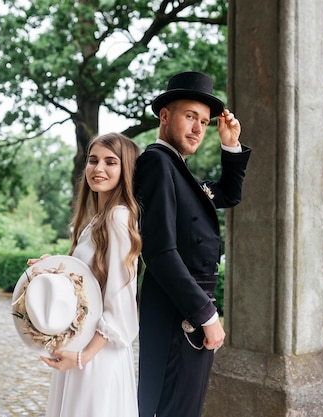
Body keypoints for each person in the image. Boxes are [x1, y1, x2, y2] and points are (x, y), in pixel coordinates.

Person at [134, 71, 252, 417]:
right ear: (165, 116)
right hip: (178, 313)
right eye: (190, 117)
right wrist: (206, 314)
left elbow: (227, 193)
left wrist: (229, 143)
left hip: (186, 309)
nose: (199, 128)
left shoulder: (178, 170)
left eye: (204, 121)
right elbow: (159, 250)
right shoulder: (157, 162)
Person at [31, 133, 142, 417]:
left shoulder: (118, 218)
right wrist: (54, 268)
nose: (98, 168)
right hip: (81, 347)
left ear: (125, 169)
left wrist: (83, 357)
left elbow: (118, 299)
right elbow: (87, 284)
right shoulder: (95, 221)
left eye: (110, 162)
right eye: (93, 161)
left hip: (98, 355)